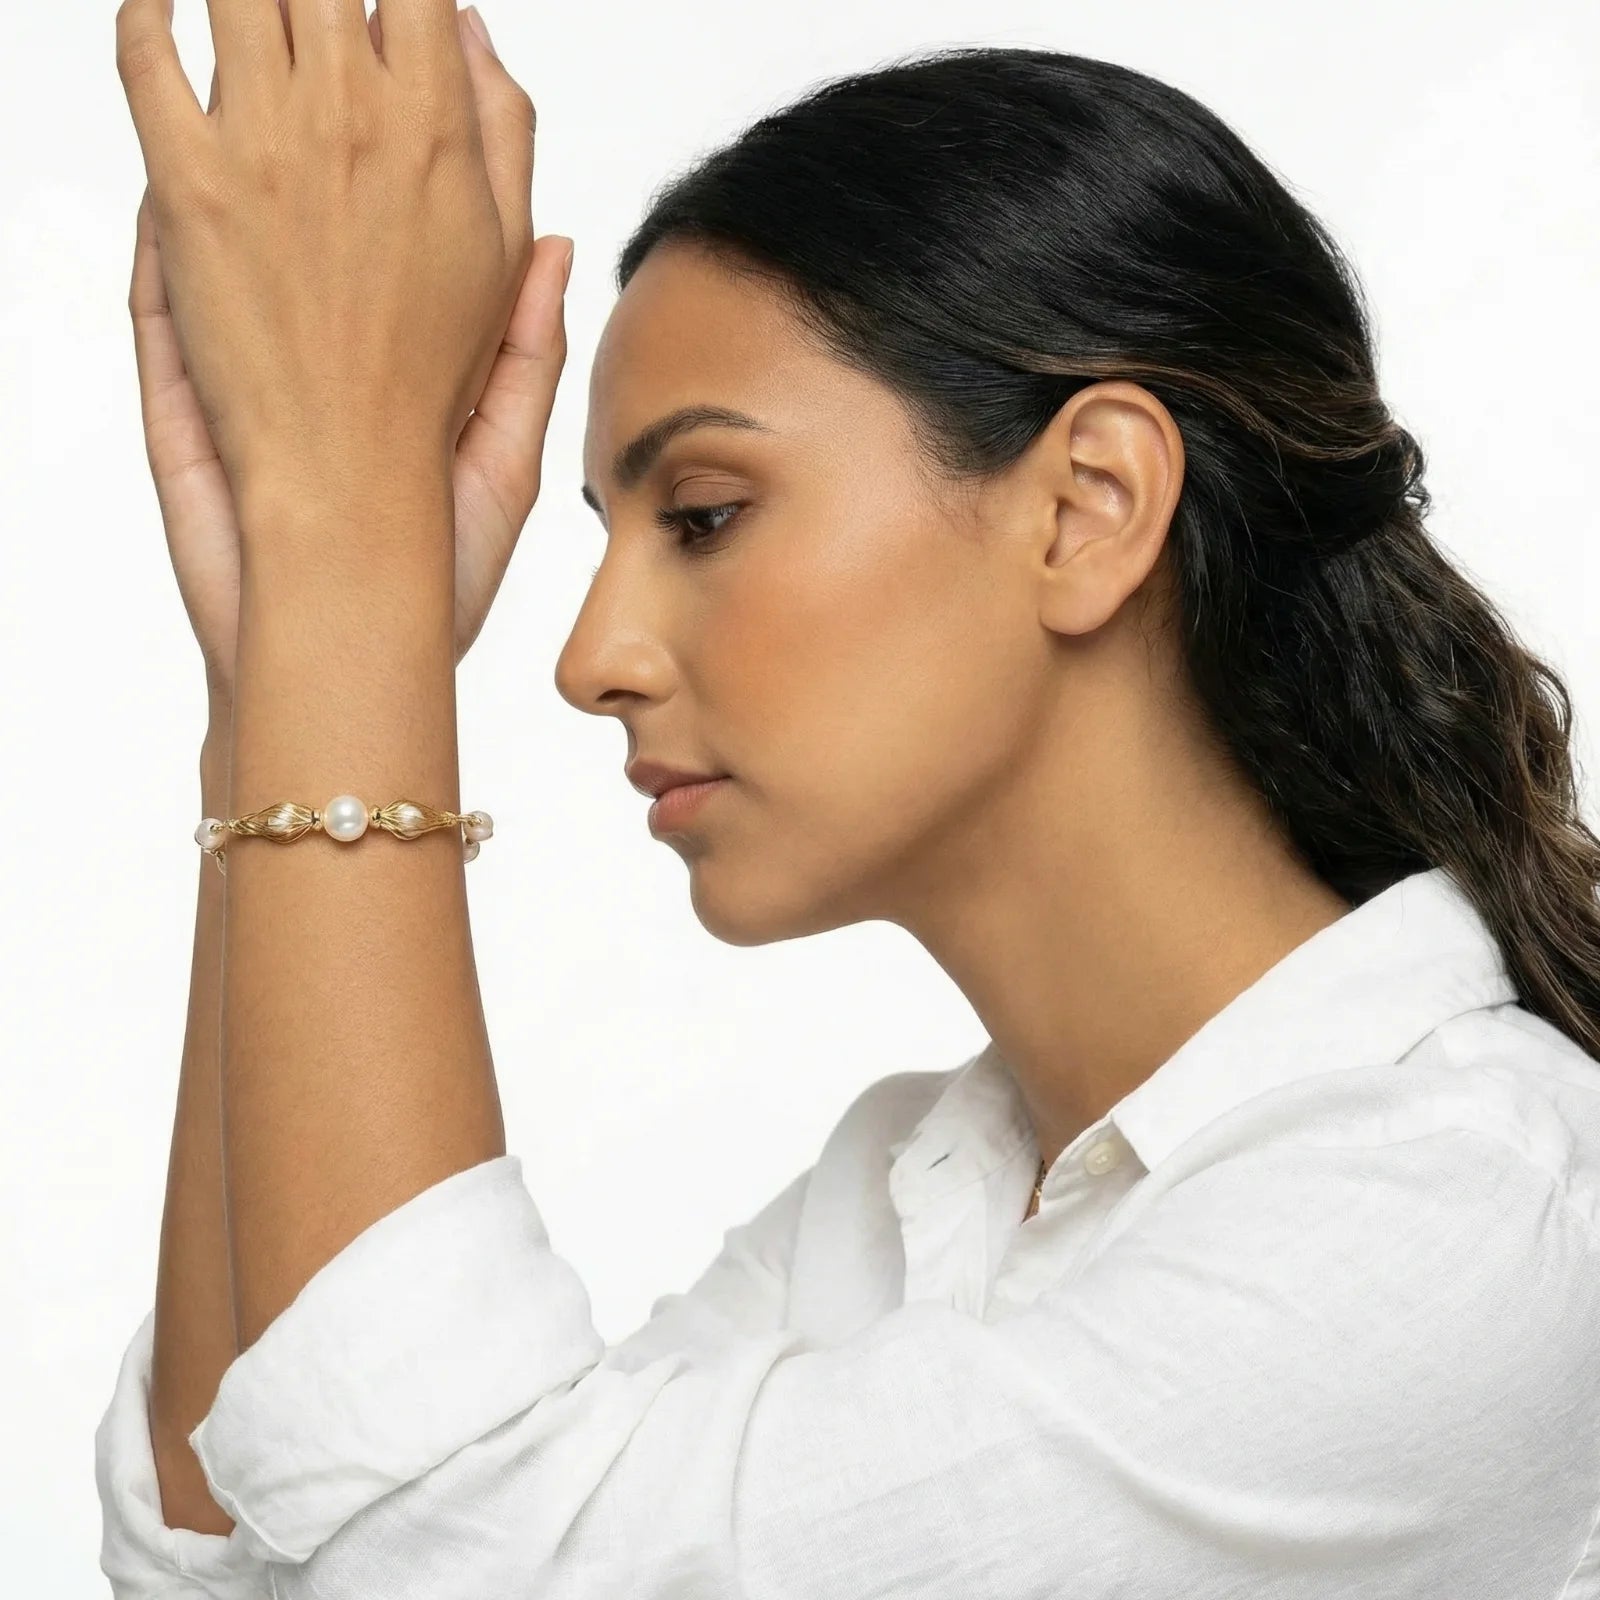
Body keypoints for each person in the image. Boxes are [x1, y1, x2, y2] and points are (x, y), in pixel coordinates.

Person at [98, 13, 1600, 1598]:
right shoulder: (906, 1199)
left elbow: (465, 1552)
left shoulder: (1446, 1214)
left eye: (706, 514)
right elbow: (249, 1560)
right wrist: (278, 664)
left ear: (1089, 506)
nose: (587, 659)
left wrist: (347, 570)